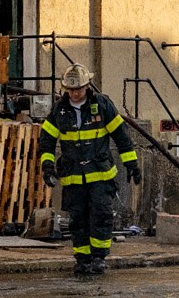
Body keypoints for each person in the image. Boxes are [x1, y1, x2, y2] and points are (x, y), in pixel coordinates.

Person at [37, 63, 139, 277]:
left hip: (100, 175)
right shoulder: (60, 110)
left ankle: (99, 258)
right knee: (77, 219)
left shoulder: (102, 105)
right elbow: (46, 141)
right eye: (70, 90)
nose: (74, 94)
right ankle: (82, 260)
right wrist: (47, 167)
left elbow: (121, 136)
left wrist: (132, 164)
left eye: (79, 89)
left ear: (87, 86)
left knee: (101, 216)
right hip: (73, 176)